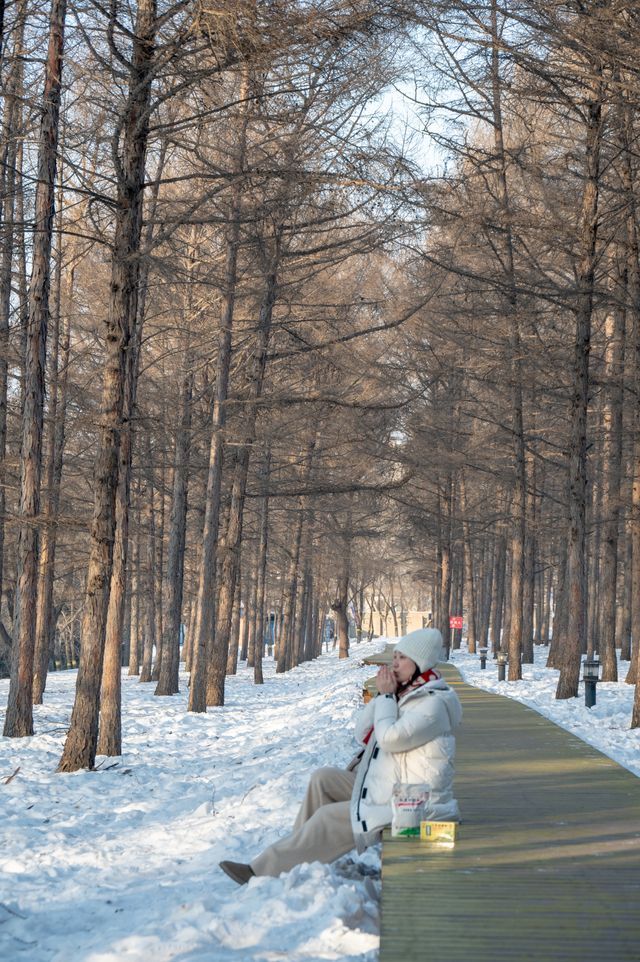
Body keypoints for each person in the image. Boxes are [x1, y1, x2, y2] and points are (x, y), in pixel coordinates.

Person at [219, 627, 462, 885]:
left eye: (402, 658)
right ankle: (296, 859)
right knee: (322, 779)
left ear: (420, 663)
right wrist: (383, 695)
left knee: (328, 817)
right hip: (393, 790)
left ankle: (261, 871)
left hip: (418, 805)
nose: (394, 662)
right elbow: (363, 733)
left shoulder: (433, 703)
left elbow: (390, 739)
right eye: (395, 656)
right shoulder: (408, 693)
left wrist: (389, 696)